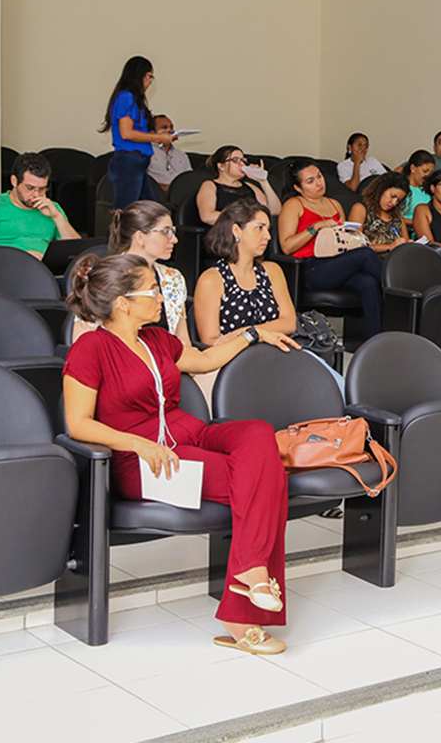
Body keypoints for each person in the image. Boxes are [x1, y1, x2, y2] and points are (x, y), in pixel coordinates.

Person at [63, 253, 299, 654]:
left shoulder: (156, 339)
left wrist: (254, 333)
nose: (162, 297)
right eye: (153, 291)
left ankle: (250, 572)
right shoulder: (91, 348)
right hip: (142, 461)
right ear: (123, 303)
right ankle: (243, 616)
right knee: (266, 478)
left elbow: (206, 360)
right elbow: (79, 423)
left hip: (187, 434)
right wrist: (137, 443)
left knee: (258, 434)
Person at [276, 159, 384, 339]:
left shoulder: (334, 204)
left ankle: (376, 342)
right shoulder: (294, 204)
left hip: (336, 264)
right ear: (298, 187)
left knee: (368, 283)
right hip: (309, 269)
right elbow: (287, 246)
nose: (319, 183)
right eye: (310, 181)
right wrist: (315, 227)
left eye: (319, 177)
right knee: (366, 255)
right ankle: (399, 292)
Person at [73, 201, 190, 346]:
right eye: (165, 232)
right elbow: (84, 342)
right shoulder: (107, 278)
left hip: (167, 365)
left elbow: (182, 341)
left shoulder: (173, 278)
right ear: (140, 237)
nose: (174, 239)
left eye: (172, 231)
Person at [195, 200, 298, 346]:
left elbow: (289, 323)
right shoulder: (212, 280)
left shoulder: (272, 270)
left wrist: (250, 333)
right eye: (259, 228)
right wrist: (256, 335)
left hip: (275, 352)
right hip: (235, 359)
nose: (267, 236)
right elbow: (212, 341)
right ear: (236, 230)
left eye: (268, 229)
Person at [100, 56, 172, 208]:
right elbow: (127, 133)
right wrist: (158, 138)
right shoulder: (126, 96)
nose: (149, 83)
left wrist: (162, 136)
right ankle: (114, 233)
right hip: (128, 161)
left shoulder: (133, 98)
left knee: (148, 210)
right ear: (141, 75)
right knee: (125, 212)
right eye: (149, 77)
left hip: (137, 162)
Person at [0, 152, 80, 259]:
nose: (36, 195)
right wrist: (21, 257)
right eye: (30, 188)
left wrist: (57, 217)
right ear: (14, 181)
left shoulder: (52, 208)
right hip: (3, 268)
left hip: (44, 271)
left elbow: (75, 252)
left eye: (42, 189)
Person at [197, 146, 281, 226]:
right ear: (221, 166)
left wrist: (263, 181)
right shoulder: (210, 185)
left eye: (243, 160)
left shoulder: (249, 187)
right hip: (223, 235)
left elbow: (274, 210)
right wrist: (245, 219)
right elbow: (207, 216)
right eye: (235, 160)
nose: (242, 164)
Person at [347, 171, 412, 255]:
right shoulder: (360, 209)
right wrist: (388, 247)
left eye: (398, 200)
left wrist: (409, 244)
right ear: (381, 189)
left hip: (396, 263)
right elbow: (353, 246)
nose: (394, 203)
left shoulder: (396, 216)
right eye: (392, 196)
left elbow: (405, 242)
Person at [146, 115, 193, 193]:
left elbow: (189, 178)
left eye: (171, 127)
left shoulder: (181, 155)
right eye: (164, 128)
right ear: (152, 132)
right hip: (156, 193)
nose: (170, 130)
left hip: (181, 194)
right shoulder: (147, 152)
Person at [396, 150, 435, 231]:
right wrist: (420, 223)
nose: (427, 175)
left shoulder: (428, 189)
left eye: (430, 172)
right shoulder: (401, 189)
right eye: (425, 171)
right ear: (413, 168)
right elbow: (394, 217)